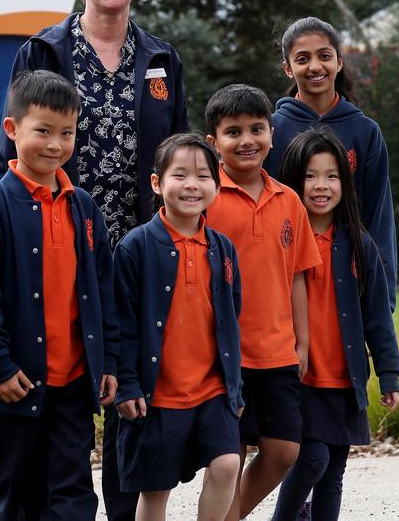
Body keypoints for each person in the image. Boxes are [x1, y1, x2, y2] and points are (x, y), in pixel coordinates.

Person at [0, 0, 188, 520]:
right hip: (61, 238)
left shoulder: (160, 59)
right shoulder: (44, 51)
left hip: (137, 246)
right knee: (72, 385)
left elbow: (178, 148)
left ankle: (124, 511)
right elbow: (22, 139)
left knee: (131, 380)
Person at [0, 70, 120, 520]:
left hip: (73, 388)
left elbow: (104, 294)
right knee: (7, 498)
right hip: (13, 386)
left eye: (66, 133)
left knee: (71, 499)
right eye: (42, 131)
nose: (54, 144)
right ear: (12, 129)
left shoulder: (84, 209)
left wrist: (107, 364)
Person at [204, 84, 321, 521]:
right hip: (223, 354)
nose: (247, 139)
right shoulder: (205, 198)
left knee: (284, 450)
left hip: (277, 351)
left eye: (257, 128)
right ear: (214, 142)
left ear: (272, 134)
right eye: (234, 132)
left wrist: (302, 342)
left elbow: (296, 276)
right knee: (228, 458)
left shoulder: (289, 200)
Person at [271, 128, 399, 521]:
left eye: (331, 176)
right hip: (300, 376)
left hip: (344, 380)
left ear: (345, 183)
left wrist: (389, 373)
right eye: (310, 176)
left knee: (334, 474)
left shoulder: (360, 246)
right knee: (311, 458)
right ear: (293, 180)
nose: (321, 186)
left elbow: (377, 316)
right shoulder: (284, 239)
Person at [114, 133, 243, 521]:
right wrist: (127, 383)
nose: (192, 185)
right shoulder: (135, 247)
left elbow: (230, 318)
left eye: (203, 176)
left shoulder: (223, 249)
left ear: (217, 184)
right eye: (180, 175)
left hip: (212, 389)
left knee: (227, 465)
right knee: (156, 491)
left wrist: (234, 384)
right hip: (158, 396)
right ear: (157, 183)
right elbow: (121, 323)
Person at [265, 16, 397, 311]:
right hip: (286, 276)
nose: (314, 66)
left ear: (339, 62)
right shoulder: (271, 131)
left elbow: (379, 216)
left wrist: (383, 295)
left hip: (349, 276)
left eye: (324, 56)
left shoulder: (365, 132)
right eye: (302, 58)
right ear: (288, 68)